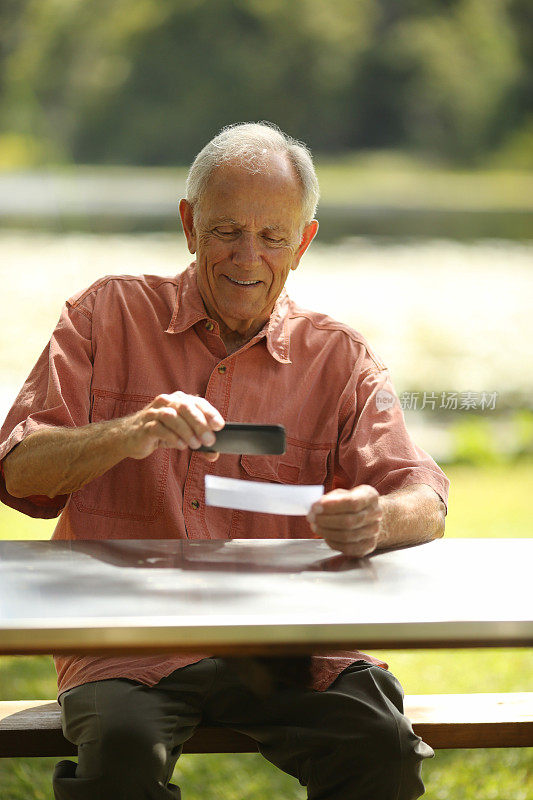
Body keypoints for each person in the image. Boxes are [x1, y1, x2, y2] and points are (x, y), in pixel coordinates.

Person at [0, 122, 449, 800]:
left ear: (302, 243)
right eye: (225, 231)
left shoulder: (338, 357)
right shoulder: (105, 314)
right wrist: (127, 433)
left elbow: (422, 497)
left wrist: (373, 519)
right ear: (188, 225)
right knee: (121, 757)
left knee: (380, 751)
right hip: (129, 642)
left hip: (291, 641)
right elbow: (18, 471)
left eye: (272, 237)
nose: (247, 257)